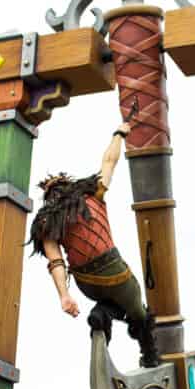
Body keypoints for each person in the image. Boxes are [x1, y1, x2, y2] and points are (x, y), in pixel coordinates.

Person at [28, 121, 158, 368]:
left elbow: (56, 262)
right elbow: (109, 161)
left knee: (108, 304)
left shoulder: (45, 222)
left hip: (86, 283)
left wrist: (64, 296)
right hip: (115, 273)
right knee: (139, 314)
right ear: (69, 186)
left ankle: (102, 316)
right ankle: (149, 354)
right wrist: (119, 133)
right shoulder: (91, 195)